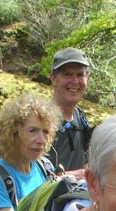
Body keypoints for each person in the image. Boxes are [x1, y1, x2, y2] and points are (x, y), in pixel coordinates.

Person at [0, 92, 60, 211]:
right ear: (13, 133)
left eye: (46, 132)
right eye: (33, 131)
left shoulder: (45, 167)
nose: (41, 140)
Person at [47, 47, 93, 180]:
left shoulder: (81, 117)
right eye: (67, 74)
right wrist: (71, 176)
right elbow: (24, 175)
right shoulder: (40, 119)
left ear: (87, 79)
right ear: (54, 78)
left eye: (80, 75)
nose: (74, 81)